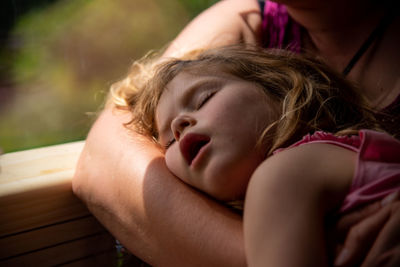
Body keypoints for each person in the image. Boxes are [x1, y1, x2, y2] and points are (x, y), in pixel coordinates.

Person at [72, 0, 400, 266]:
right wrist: (288, 240)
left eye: (204, 98)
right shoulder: (244, 16)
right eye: (166, 141)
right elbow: (100, 162)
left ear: (289, 93)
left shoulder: (283, 176)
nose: (178, 125)